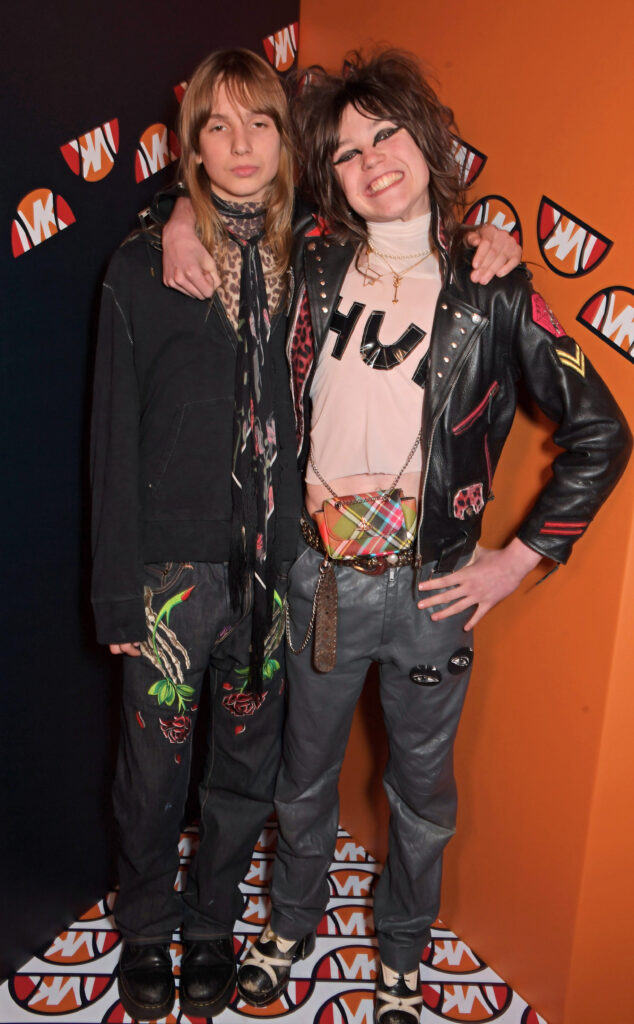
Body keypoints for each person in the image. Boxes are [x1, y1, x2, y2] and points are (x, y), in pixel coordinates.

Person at [227, 50, 632, 1024]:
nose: (372, 161)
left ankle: (402, 960)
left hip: (432, 594)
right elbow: (220, 212)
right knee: (302, 777)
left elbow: (603, 433)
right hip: (321, 581)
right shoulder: (312, 260)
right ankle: (291, 926)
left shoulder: (493, 286)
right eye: (347, 151)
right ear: (330, 176)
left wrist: (517, 562)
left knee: (420, 797)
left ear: (428, 139)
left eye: (387, 135)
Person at [90, 49, 309, 1021]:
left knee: (245, 770)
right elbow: (111, 435)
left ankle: (212, 921)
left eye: (258, 121)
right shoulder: (142, 265)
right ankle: (146, 927)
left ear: (285, 137)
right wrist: (114, 591)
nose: (240, 144)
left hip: (272, 568)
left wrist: (490, 245)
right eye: (217, 125)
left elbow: (407, 243)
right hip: (168, 576)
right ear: (192, 148)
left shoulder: (318, 262)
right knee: (152, 774)